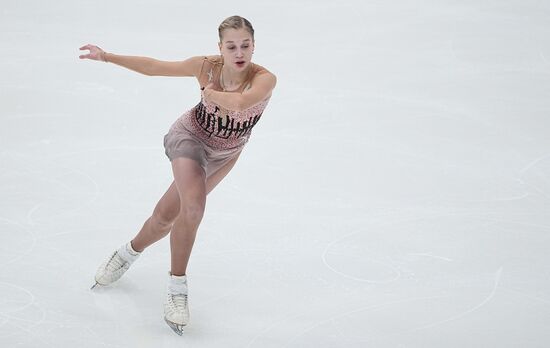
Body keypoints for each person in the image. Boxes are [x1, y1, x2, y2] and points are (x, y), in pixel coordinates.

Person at [79, 15, 276, 335]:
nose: (239, 52)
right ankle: (177, 290)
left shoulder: (265, 79)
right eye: (231, 46)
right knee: (194, 208)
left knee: (164, 217)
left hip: (226, 155)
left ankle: (128, 252)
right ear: (220, 48)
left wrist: (211, 95)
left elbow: (241, 103)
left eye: (245, 45)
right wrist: (107, 56)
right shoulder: (205, 67)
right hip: (191, 138)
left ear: (254, 47)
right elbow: (156, 66)